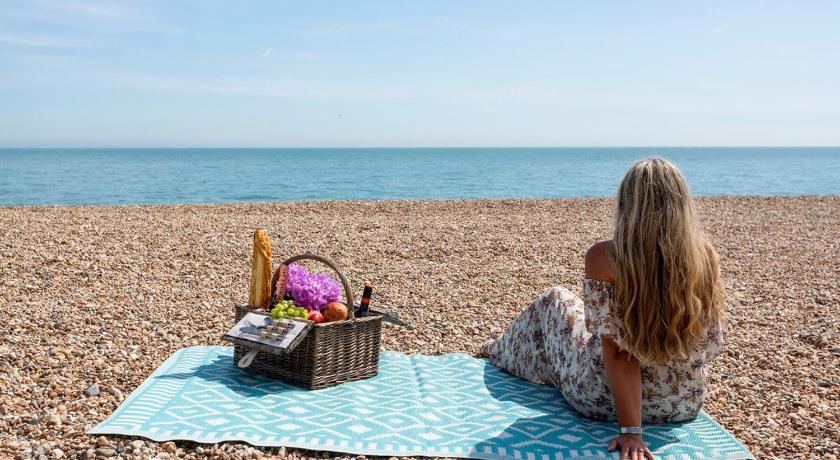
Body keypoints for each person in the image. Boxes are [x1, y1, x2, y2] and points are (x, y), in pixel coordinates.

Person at [480, 157, 726, 460]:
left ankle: (498, 348)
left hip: (601, 399)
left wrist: (631, 432)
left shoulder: (605, 257)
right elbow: (706, 344)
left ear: (627, 204)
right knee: (579, 326)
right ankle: (516, 348)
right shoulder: (704, 257)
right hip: (682, 404)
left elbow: (619, 354)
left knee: (555, 300)